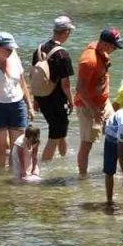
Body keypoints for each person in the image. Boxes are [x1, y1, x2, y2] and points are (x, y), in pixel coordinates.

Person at [0, 32, 35, 168]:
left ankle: (14, 177)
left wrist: (30, 106)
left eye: (12, 49)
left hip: (17, 106)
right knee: (1, 147)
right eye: (8, 49)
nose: (10, 51)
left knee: (18, 146)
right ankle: (0, 179)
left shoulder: (15, 61)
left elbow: (23, 85)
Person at [75, 27, 123, 176]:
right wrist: (94, 110)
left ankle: (113, 169)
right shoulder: (89, 61)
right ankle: (82, 177)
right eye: (114, 46)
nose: (115, 49)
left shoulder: (100, 49)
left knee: (115, 132)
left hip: (104, 102)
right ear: (104, 43)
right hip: (88, 106)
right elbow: (79, 88)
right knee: (87, 143)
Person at [29, 15, 77, 161]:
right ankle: (44, 166)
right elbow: (65, 84)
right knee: (55, 136)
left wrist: (35, 100)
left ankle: (63, 159)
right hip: (57, 100)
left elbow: (33, 77)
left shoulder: (38, 50)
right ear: (66, 32)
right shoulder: (63, 54)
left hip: (42, 98)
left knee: (61, 131)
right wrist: (71, 100)